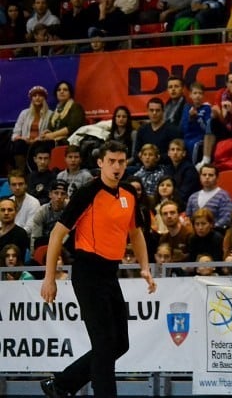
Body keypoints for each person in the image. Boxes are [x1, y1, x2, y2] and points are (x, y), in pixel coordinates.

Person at [39, 140, 156, 398]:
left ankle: (61, 385)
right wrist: (50, 278)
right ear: (100, 162)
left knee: (119, 344)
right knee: (104, 344)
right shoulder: (87, 193)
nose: (117, 167)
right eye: (111, 161)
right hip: (87, 272)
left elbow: (135, 233)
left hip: (109, 274)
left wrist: (145, 267)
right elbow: (58, 234)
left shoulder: (128, 193)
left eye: (121, 162)